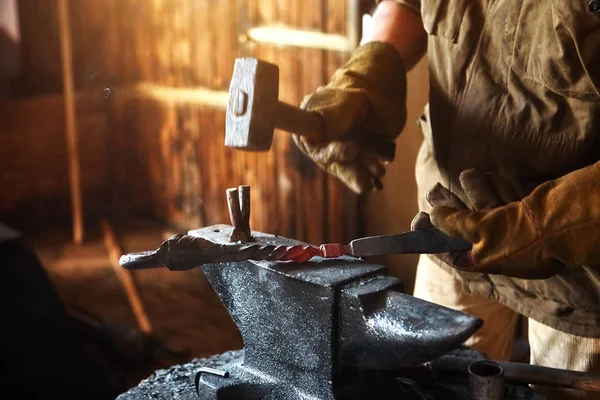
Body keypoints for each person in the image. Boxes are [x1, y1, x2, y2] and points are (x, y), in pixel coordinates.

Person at [293, 1, 600, 398]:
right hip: (450, 228)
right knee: (432, 388)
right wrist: (370, 70)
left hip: (582, 271)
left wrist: (558, 222)